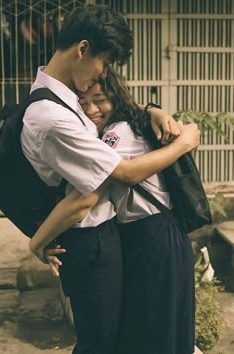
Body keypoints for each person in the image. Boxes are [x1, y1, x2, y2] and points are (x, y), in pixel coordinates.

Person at [22, 4, 199, 354]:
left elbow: (112, 117)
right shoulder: (53, 116)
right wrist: (186, 142)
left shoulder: (68, 102)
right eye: (103, 62)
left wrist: (149, 110)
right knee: (104, 341)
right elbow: (101, 186)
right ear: (83, 49)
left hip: (121, 236)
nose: (102, 74)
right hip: (91, 241)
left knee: (128, 334)